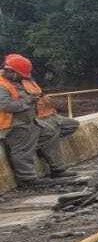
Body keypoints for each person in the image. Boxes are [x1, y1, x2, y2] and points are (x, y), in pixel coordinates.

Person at [0, 54, 79, 187]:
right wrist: (28, 101)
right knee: (22, 149)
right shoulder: (2, 85)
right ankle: (28, 180)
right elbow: (7, 105)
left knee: (49, 132)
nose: (23, 78)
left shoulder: (16, 81)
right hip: (11, 126)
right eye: (20, 75)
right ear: (12, 72)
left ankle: (57, 170)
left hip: (28, 121)